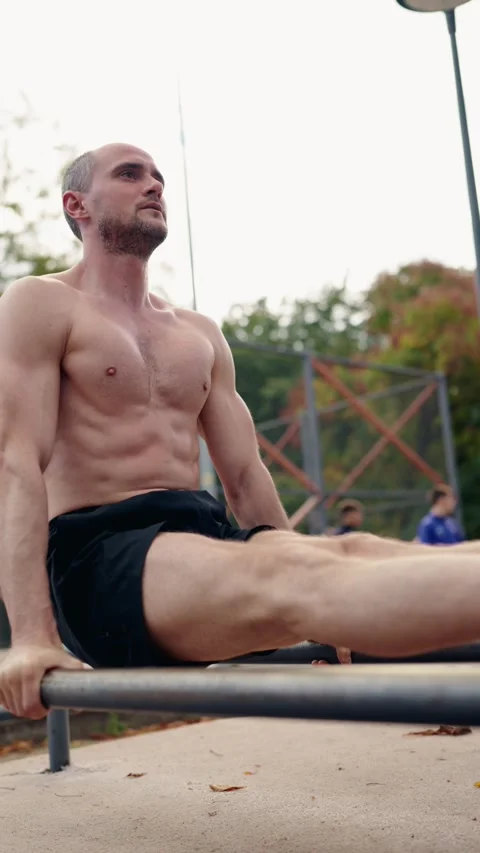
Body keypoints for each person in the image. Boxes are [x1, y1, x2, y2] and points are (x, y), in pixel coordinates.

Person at [1, 143, 480, 723]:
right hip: (103, 555)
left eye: (157, 176)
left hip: (204, 533)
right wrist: (29, 636)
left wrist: (313, 580)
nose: (153, 185)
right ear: (76, 205)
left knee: (352, 551)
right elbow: (15, 462)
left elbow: (246, 475)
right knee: (293, 574)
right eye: (130, 174)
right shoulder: (41, 302)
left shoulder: (197, 331)